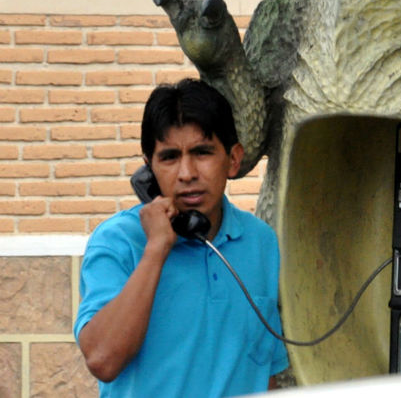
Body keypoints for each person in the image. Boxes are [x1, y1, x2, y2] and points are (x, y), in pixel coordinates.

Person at [74, 78, 290, 397]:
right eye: (170, 157)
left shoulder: (260, 242)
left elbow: (264, 372)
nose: (187, 173)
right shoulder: (117, 241)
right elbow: (103, 360)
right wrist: (155, 250)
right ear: (149, 167)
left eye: (202, 153)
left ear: (233, 159)